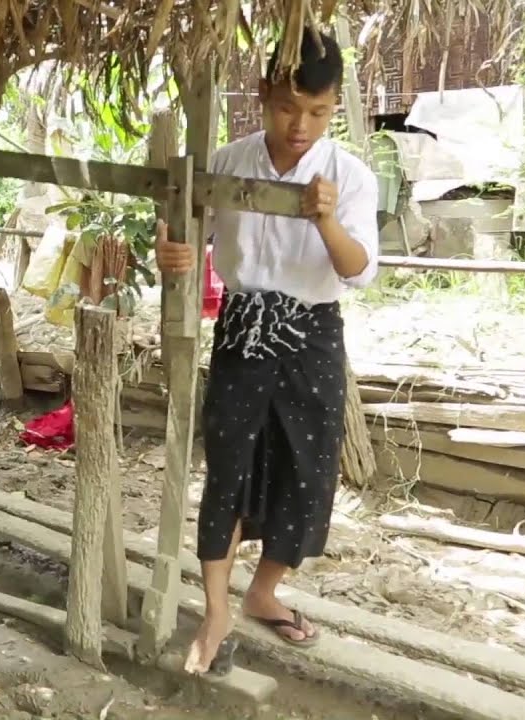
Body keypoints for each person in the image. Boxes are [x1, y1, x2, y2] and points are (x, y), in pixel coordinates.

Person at [154, 29, 379, 675]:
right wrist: (174, 255)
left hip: (312, 332)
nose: (300, 124)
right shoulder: (227, 161)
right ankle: (216, 607)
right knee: (228, 466)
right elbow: (188, 238)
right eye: (287, 108)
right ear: (262, 97)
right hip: (244, 329)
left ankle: (264, 592)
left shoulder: (350, 177)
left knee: (306, 470)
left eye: (318, 111)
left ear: (334, 106)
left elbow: (359, 271)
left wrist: (326, 220)